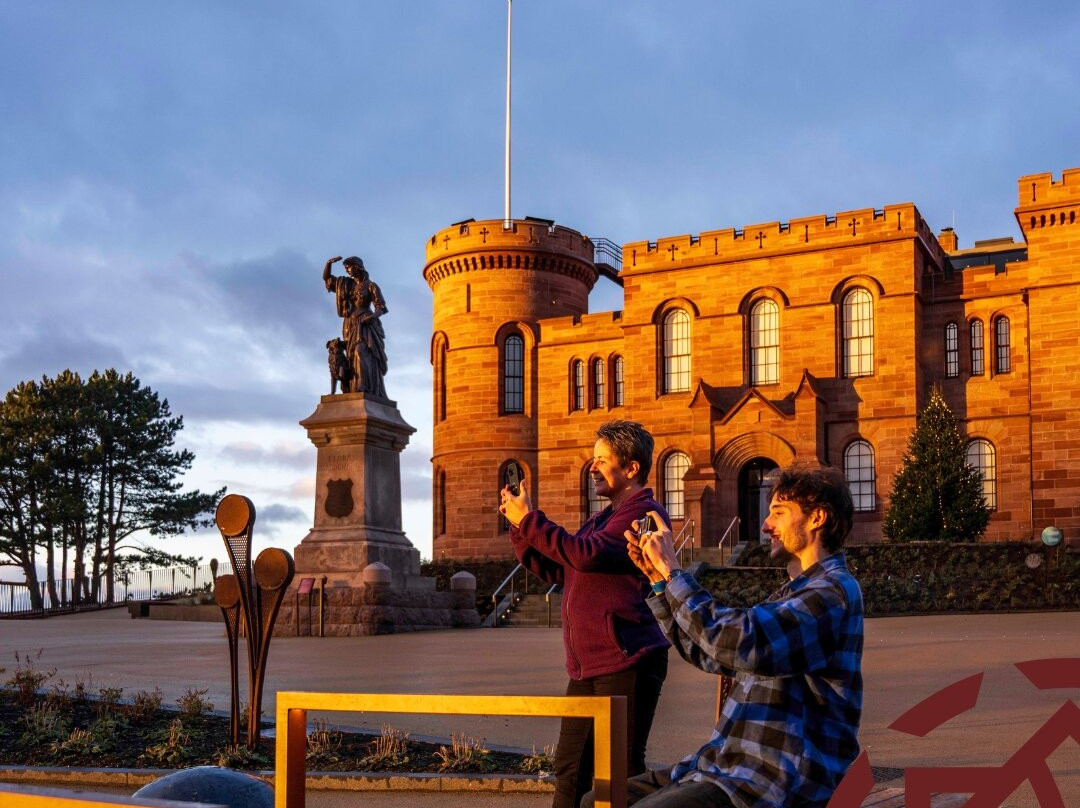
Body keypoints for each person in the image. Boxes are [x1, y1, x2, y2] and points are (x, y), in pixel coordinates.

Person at [586, 464, 863, 808]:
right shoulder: (793, 593)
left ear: (817, 518)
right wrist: (658, 581)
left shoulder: (831, 593)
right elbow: (708, 652)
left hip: (774, 777)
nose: (765, 525)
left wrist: (673, 571)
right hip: (723, 764)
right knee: (598, 799)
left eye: (778, 513)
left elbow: (737, 641)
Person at [500, 420, 671, 808]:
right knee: (570, 769)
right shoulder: (604, 518)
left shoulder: (643, 513)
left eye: (602, 460)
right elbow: (562, 569)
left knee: (621, 774)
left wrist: (530, 520)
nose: (592, 468)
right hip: (588, 666)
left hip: (628, 659)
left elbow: (585, 554)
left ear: (631, 468)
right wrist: (519, 529)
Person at [322, 255, 388, 397]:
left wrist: (371, 317)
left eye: (349, 267)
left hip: (365, 324)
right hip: (350, 324)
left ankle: (363, 386)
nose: (347, 270)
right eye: (346, 268)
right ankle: (353, 388)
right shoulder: (346, 284)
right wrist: (329, 264)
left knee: (360, 351)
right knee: (351, 357)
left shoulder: (371, 286)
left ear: (357, 267)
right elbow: (327, 278)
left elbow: (380, 308)